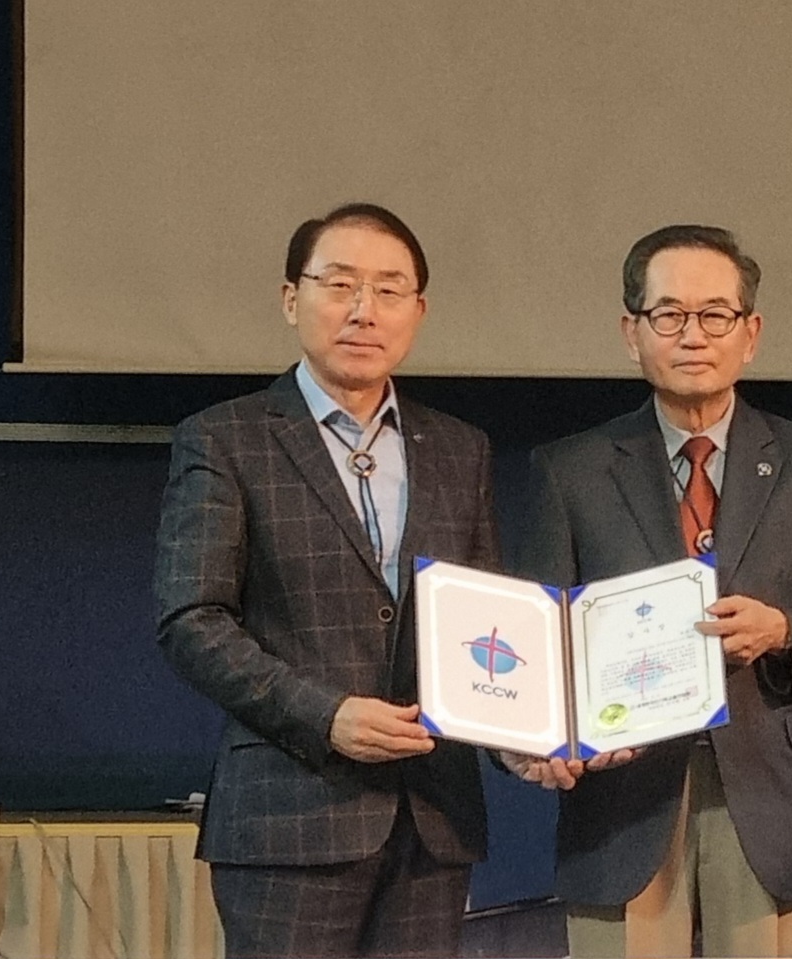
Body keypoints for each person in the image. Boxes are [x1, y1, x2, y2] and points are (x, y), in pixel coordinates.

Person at [509, 224, 792, 957]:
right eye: (669, 314)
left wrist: (783, 631)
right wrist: (533, 743)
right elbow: (536, 640)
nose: (693, 335)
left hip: (772, 795)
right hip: (622, 802)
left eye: (715, 314)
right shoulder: (572, 470)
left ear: (751, 334)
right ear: (632, 333)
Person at [154, 203, 498, 958]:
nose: (363, 310)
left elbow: (485, 623)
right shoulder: (225, 438)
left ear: (418, 311)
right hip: (289, 818)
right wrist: (325, 714)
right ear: (291, 299)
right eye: (340, 284)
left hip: (431, 822)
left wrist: (525, 738)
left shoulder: (459, 448)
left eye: (389, 290)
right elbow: (191, 618)